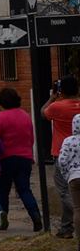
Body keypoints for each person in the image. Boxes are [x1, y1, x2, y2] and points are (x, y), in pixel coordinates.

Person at [0, 87, 42, 232]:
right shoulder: (25, 115)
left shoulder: (0, 117)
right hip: (24, 158)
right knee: (24, 189)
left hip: (5, 159)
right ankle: (36, 216)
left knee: (2, 191)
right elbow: (31, 138)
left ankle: (1, 220)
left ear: (1, 101)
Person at [42, 75, 80, 238]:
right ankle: (66, 227)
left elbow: (43, 113)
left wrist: (52, 96)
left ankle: (70, 222)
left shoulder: (57, 107)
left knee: (65, 191)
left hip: (62, 153)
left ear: (61, 90)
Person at [57, 114, 80, 243]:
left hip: (74, 177)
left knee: (78, 208)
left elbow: (62, 161)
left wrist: (67, 174)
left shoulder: (68, 141)